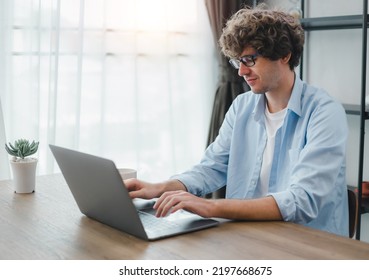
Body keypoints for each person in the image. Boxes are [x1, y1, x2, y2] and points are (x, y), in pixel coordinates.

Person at [125, 5, 349, 236]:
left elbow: (302, 200)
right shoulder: (242, 106)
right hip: (247, 237)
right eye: (237, 61)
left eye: (250, 59)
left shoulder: (324, 113)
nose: (241, 71)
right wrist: (160, 188)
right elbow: (211, 168)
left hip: (306, 246)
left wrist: (210, 206)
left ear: (284, 55)